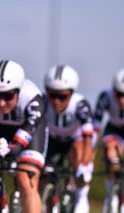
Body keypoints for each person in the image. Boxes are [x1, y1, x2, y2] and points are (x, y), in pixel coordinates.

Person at [0, 60, 47, 213]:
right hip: (0, 131)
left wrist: (9, 148)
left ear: (19, 90)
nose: (1, 103)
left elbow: (19, 145)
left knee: (25, 180)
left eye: (8, 96)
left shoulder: (34, 100)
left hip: (30, 134)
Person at [43, 64, 95, 213]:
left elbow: (88, 138)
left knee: (79, 157)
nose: (56, 101)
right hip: (52, 140)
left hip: (74, 141)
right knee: (42, 174)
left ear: (71, 93)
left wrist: (84, 164)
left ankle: (81, 198)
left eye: (62, 96)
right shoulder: (43, 101)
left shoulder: (80, 105)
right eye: (52, 95)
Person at [93, 68, 124, 211]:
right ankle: (111, 194)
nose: (122, 99)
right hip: (114, 129)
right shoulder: (106, 96)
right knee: (110, 153)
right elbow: (96, 125)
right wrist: (92, 148)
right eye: (119, 94)